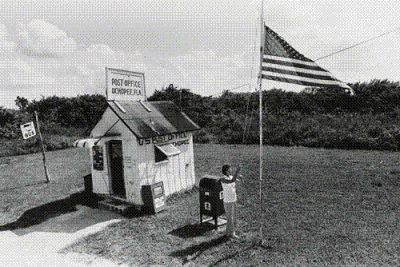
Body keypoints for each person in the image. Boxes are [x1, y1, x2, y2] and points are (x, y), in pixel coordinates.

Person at [220, 164, 241, 239]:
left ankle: (228, 232)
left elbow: (234, 180)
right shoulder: (223, 179)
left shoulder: (231, 177)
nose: (230, 170)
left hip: (233, 199)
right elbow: (232, 181)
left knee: (233, 217)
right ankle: (232, 234)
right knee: (230, 218)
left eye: (231, 169)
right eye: (229, 169)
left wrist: (239, 177)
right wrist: (237, 172)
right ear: (225, 171)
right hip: (227, 201)